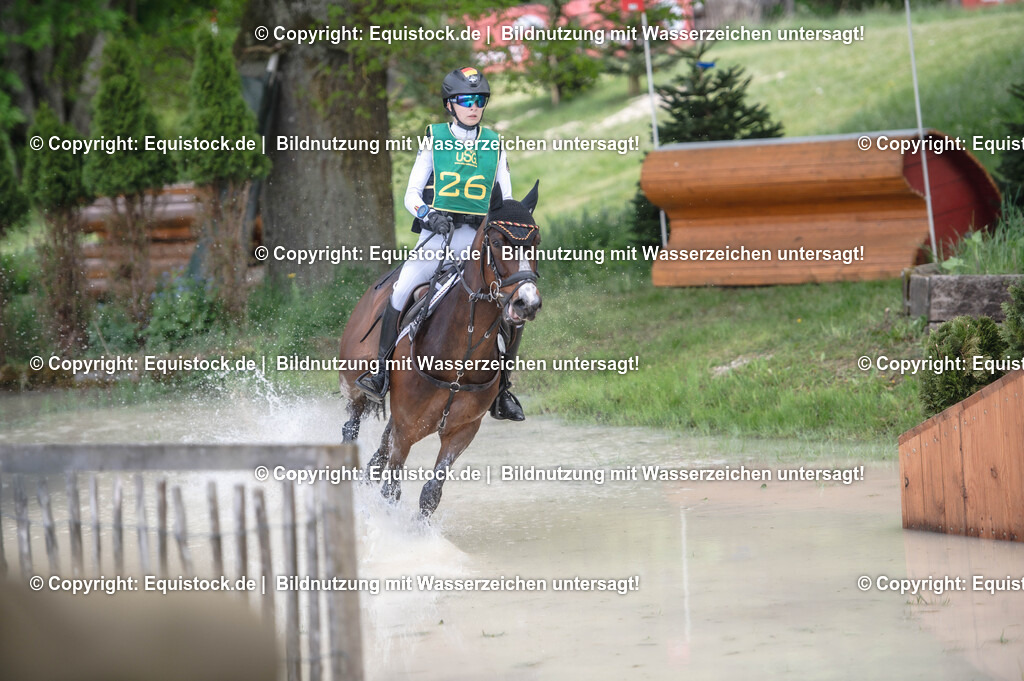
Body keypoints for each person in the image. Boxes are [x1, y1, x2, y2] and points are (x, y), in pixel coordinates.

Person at [357, 66, 525, 421]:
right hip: (438, 237)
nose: (473, 106)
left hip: (477, 243)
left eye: (479, 100)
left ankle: (503, 389)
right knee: (402, 290)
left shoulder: (495, 144)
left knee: (510, 306)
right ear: (450, 105)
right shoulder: (435, 138)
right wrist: (428, 214)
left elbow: (506, 199)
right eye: (465, 100)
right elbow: (411, 195)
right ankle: (381, 373)